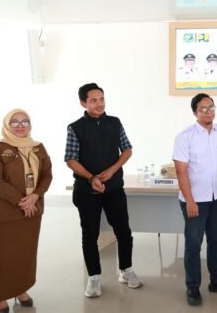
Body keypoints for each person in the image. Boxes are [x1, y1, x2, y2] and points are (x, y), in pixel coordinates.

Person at [65, 83, 142, 298]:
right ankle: (94, 277)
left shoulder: (114, 123)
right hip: (87, 191)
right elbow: (70, 159)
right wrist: (91, 178)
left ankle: (126, 269)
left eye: (101, 99)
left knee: (123, 231)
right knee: (90, 235)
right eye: (93, 100)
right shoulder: (75, 128)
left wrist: (112, 170)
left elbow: (127, 149)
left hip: (114, 188)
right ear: (83, 103)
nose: (99, 104)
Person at [0, 109, 53, 313]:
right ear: (7, 125)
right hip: (2, 212)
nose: (20, 126)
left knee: (24, 254)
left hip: (31, 211)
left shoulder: (38, 147)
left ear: (30, 124)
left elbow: (47, 175)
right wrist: (22, 201)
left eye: (25, 122)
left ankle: (20, 289)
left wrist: (35, 196)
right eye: (15, 122)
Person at [173, 93, 217, 306]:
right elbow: (181, 172)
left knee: (216, 241)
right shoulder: (185, 137)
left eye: (211, 107)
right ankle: (193, 287)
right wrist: (190, 201)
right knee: (194, 244)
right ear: (195, 112)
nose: (209, 112)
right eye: (203, 109)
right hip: (195, 200)